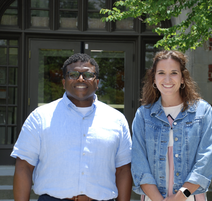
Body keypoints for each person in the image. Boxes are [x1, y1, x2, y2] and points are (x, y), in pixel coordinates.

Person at [11, 53, 132, 201]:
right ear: (64, 82)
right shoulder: (40, 117)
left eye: (88, 74)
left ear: (97, 82)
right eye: (73, 74)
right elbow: (24, 166)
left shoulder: (117, 120)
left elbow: (123, 170)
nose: (80, 78)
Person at [131, 50, 212, 201]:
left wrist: (179, 198)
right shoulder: (143, 115)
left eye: (174, 73)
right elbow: (139, 164)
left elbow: (205, 161)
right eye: (161, 72)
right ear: (154, 79)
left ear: (183, 78)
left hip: (191, 198)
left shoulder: (202, 112)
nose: (167, 79)